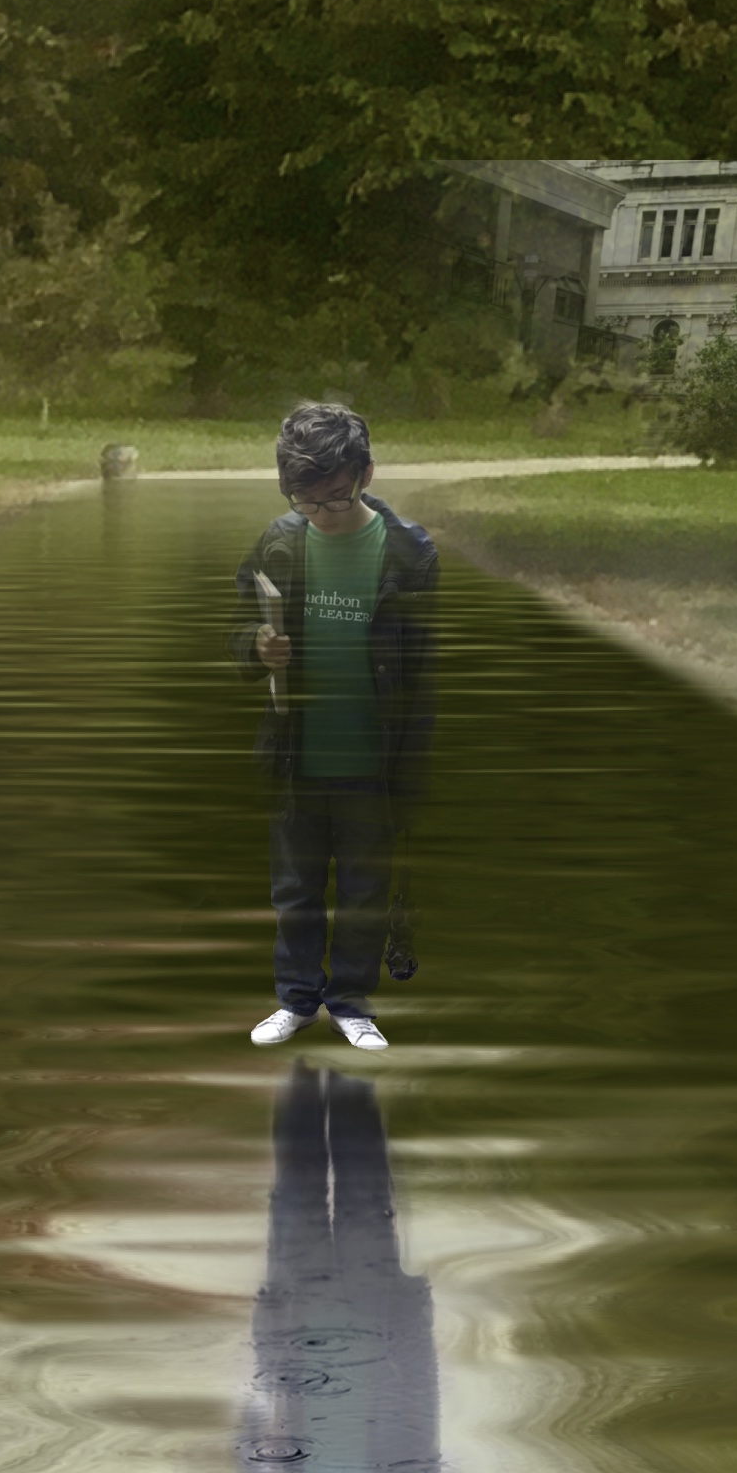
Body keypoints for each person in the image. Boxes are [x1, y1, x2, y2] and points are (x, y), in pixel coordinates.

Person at [234, 400, 437, 1050]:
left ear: (367, 473)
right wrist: (254, 647)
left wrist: (415, 772)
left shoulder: (409, 551)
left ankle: (351, 1001)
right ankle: (295, 998)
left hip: (373, 756)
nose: (321, 512)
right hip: (297, 753)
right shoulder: (279, 539)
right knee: (294, 888)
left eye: (336, 498)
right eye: (307, 501)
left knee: (364, 888)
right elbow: (239, 626)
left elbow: (423, 669)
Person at [238, 1063, 444, 1473]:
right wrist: (414, 1328)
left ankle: (303, 1077)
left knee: (295, 1194)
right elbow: (423, 1424)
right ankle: (352, 1081)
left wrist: (265, 1346)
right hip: (379, 1331)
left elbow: (248, 1437)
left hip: (297, 1331)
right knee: (365, 1200)